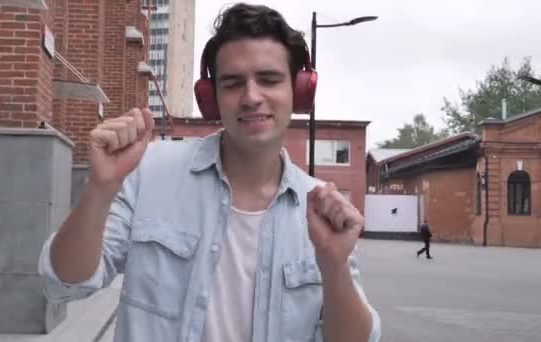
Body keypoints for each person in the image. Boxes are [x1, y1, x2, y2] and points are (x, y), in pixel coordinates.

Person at [38, 3, 380, 341]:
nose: (251, 97)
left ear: (300, 91)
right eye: (232, 83)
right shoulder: (150, 171)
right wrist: (100, 189)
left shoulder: (322, 208)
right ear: (211, 98)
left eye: (269, 79)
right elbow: (64, 283)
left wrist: (334, 266)